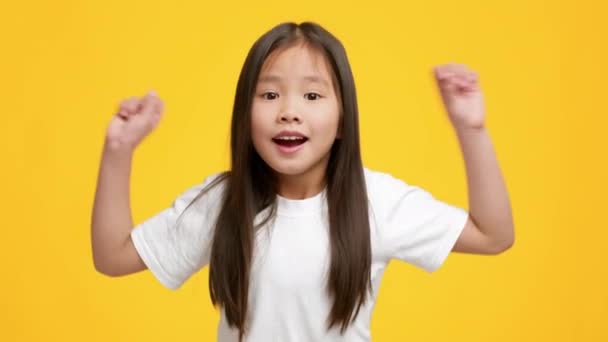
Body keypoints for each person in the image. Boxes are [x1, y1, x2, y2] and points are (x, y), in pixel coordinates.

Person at [91, 21, 514, 342]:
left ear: (343, 119)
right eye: (270, 95)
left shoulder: (376, 202)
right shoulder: (225, 202)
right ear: (245, 115)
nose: (289, 111)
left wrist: (471, 129)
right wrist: (118, 151)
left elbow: (493, 234)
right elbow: (112, 257)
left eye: (312, 96)